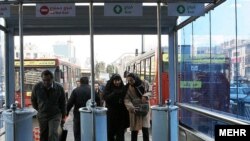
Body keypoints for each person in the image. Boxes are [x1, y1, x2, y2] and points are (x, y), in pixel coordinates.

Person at [31, 69, 66, 141]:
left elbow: (63, 103)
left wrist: (63, 116)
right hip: (42, 115)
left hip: (55, 115)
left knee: (52, 134)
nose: (46, 82)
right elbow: (33, 101)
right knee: (43, 135)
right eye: (44, 80)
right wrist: (40, 109)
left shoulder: (59, 88)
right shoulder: (36, 87)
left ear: (52, 79)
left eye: (48, 80)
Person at [66, 77, 100, 141]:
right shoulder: (93, 91)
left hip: (78, 115)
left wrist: (66, 112)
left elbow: (70, 103)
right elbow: (98, 102)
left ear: (80, 82)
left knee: (78, 133)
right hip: (90, 115)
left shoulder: (75, 91)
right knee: (89, 133)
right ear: (88, 82)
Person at [124, 73, 150, 141]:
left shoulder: (144, 83)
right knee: (134, 130)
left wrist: (146, 96)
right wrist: (131, 107)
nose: (130, 82)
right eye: (128, 80)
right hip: (135, 109)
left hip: (144, 109)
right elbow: (126, 99)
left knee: (145, 129)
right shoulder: (128, 88)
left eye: (131, 80)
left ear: (135, 78)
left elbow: (150, 91)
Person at [103, 74, 129, 141]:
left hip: (121, 115)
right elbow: (105, 98)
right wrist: (114, 93)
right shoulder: (108, 87)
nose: (117, 82)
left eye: (119, 80)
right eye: (115, 80)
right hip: (111, 115)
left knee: (120, 134)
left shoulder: (123, 88)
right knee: (110, 133)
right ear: (112, 81)